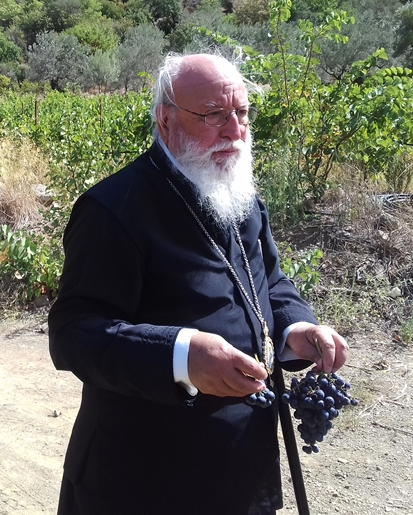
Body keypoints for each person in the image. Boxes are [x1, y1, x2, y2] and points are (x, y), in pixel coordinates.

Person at [47, 53, 349, 515]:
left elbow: (268, 281)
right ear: (166, 120)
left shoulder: (236, 193)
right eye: (213, 115)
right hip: (141, 481)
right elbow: (72, 334)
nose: (234, 131)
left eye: (241, 112)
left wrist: (296, 329)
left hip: (241, 471)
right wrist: (182, 356)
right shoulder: (113, 209)